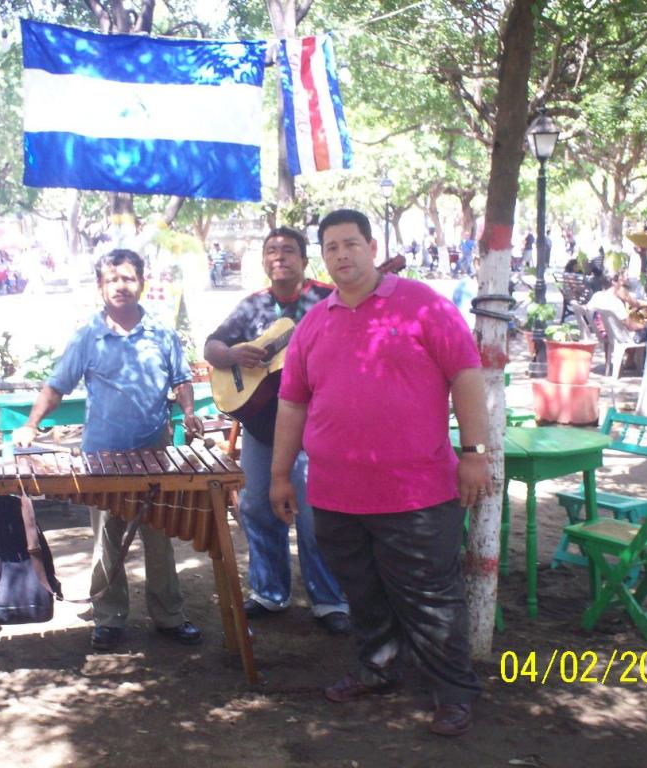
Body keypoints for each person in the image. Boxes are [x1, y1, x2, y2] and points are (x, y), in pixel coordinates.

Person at [270, 209, 490, 737]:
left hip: (416, 493)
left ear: (372, 247)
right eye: (331, 247)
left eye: (351, 244)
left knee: (430, 597)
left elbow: (466, 375)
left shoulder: (423, 305)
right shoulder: (313, 324)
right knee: (362, 591)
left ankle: (453, 691)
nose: (342, 255)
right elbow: (292, 403)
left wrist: (475, 452)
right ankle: (379, 667)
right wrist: (279, 475)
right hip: (335, 494)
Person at [13, 249, 204, 653]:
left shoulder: (162, 333)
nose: (120, 286)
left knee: (159, 537)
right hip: (101, 456)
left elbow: (182, 380)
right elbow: (56, 386)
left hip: (154, 452)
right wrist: (31, 423)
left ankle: (169, 615)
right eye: (112, 279)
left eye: (128, 278)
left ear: (142, 283)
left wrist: (188, 412)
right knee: (106, 541)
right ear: (100, 287)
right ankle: (109, 617)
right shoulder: (87, 336)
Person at [203, 227, 350, 635]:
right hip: (262, 427)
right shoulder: (252, 305)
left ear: (304, 259)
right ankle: (270, 592)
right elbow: (212, 346)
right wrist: (231, 353)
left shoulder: (329, 298)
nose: (279, 256)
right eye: (271, 250)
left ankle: (329, 600)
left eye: (288, 250)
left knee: (316, 515)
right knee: (256, 508)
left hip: (316, 428)